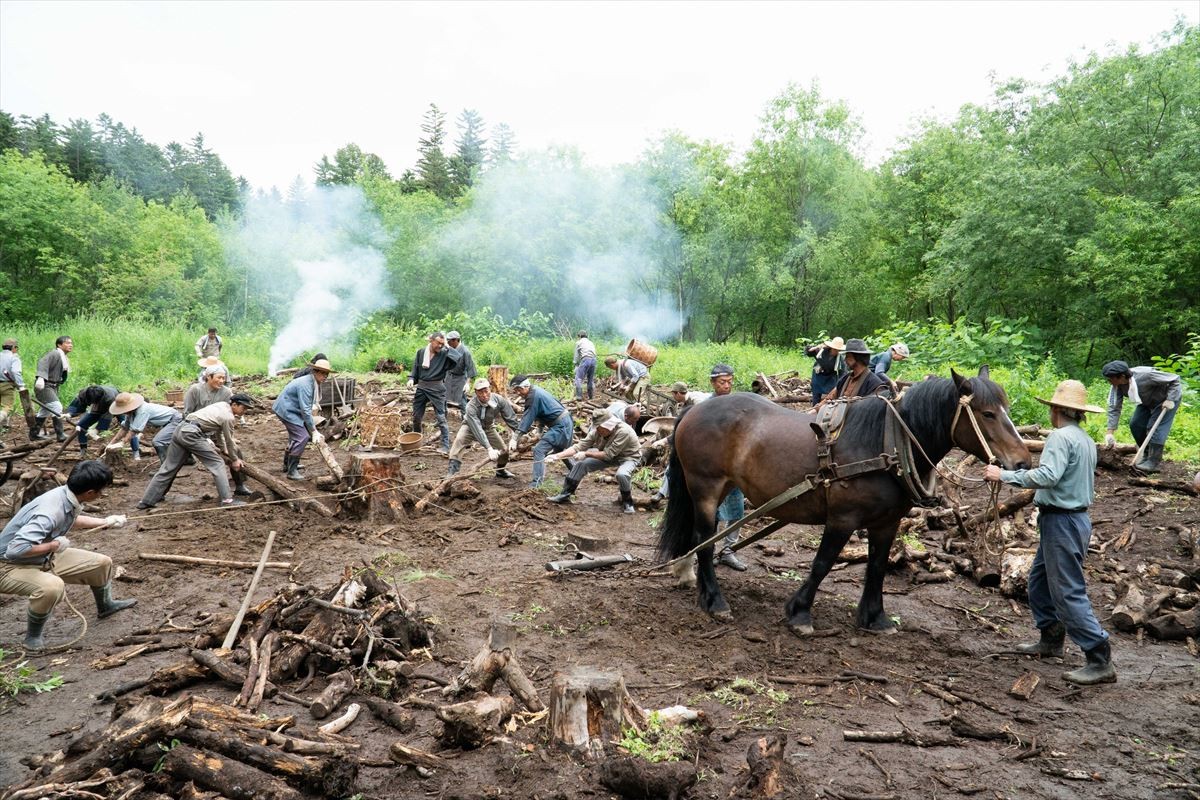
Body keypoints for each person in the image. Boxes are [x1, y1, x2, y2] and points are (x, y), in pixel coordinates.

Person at [984, 379, 1115, 685]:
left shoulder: (1059, 438)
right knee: (1039, 583)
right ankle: (1051, 639)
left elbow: (1049, 475)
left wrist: (1003, 474)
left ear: (1056, 409)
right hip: (1071, 520)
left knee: (1067, 590)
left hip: (1063, 522)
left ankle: (1099, 656)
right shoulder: (1083, 439)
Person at [0, 460, 134, 649]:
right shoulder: (49, 511)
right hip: (8, 565)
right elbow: (16, 549)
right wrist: (53, 545)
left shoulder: (66, 495)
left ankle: (106, 606)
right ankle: (32, 638)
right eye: (101, 490)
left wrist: (105, 521)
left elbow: (72, 518)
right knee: (51, 587)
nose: (102, 494)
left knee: (102, 563)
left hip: (41, 556)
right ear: (90, 493)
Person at [138, 394, 255, 510]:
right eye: (243, 408)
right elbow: (229, 440)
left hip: (180, 429)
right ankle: (227, 500)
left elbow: (219, 432)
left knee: (168, 467)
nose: (244, 411)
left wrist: (223, 448)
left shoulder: (222, 405)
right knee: (217, 463)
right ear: (234, 404)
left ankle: (147, 500)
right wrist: (234, 459)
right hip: (192, 434)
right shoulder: (229, 417)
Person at [546, 408, 642, 513]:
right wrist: (557, 456)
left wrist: (586, 453)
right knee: (581, 465)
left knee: (622, 474)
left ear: (608, 425)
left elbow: (608, 455)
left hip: (629, 457)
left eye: (600, 427)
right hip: (610, 455)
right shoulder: (597, 432)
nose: (597, 430)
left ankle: (627, 503)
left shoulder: (624, 432)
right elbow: (579, 446)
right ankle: (565, 495)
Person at [1101, 360, 1183, 473]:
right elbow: (1114, 407)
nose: (1109, 381)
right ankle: (1146, 453)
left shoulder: (1146, 375)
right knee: (1136, 424)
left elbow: (1175, 379)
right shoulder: (1117, 386)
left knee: (1154, 427)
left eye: (1110, 378)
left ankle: (1153, 461)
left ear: (1122, 376)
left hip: (1165, 401)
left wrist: (1171, 399)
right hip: (1145, 401)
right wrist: (1110, 432)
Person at [509, 374, 574, 489]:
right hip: (565, 422)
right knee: (560, 449)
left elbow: (526, 419)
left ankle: (536, 484)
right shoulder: (535, 391)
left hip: (560, 426)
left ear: (525, 386)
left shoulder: (532, 397)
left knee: (539, 450)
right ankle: (576, 471)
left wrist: (514, 438)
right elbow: (542, 411)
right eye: (516, 391)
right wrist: (539, 430)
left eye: (518, 390)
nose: (518, 393)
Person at [272, 358, 333, 480]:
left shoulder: (312, 382)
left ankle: (287, 464)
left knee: (296, 436)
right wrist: (314, 431)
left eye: (327, 374)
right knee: (302, 437)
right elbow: (305, 410)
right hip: (287, 410)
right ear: (316, 371)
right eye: (323, 373)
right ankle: (292, 471)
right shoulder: (306, 384)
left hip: (290, 408)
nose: (325, 376)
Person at [448, 378, 519, 479]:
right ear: (476, 393)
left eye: (486, 391)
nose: (484, 395)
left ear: (490, 389)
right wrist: (489, 448)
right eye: (480, 392)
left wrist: (519, 434)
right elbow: (477, 429)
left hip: (488, 427)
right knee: (459, 442)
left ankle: (500, 470)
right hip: (470, 427)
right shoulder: (471, 407)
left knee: (504, 450)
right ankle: (451, 474)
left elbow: (510, 418)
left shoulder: (499, 400)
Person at [409, 332, 461, 455]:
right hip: (422, 386)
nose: (440, 346)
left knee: (441, 418)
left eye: (442, 344)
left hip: (437, 387)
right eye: (438, 343)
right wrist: (411, 379)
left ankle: (445, 445)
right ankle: (416, 442)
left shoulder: (444, 353)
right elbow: (415, 368)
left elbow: (457, 358)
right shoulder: (421, 352)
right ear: (431, 341)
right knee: (416, 417)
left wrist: (448, 348)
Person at [105, 393, 183, 462]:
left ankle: (166, 468)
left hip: (175, 419)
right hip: (168, 421)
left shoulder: (142, 410)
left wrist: (122, 443)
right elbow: (125, 428)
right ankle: (186, 459)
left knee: (158, 441)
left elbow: (134, 431)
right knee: (173, 441)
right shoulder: (131, 413)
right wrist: (111, 444)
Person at [819, 339, 888, 405]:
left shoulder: (875, 384)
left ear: (858, 358)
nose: (845, 360)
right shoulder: (845, 379)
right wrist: (814, 410)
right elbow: (830, 397)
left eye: (848, 356)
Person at [33, 336, 73, 442]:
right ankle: (60, 434)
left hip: (53, 386)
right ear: (59, 345)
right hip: (45, 386)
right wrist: (40, 377)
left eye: (71, 343)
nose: (70, 345)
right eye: (67, 343)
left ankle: (34, 434)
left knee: (45, 410)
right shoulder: (54, 353)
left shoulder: (63, 357)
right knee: (56, 406)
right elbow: (42, 362)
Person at [65, 384, 120, 457]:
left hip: (117, 406)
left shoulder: (110, 398)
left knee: (126, 426)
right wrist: (70, 414)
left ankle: (132, 451)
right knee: (81, 426)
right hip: (97, 408)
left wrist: (97, 429)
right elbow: (79, 403)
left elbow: (108, 414)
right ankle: (83, 450)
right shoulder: (85, 393)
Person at [804, 336, 844, 405]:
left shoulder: (840, 358)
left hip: (830, 377)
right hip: (818, 376)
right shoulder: (821, 351)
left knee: (831, 396)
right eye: (835, 349)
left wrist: (840, 384)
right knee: (816, 396)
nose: (836, 351)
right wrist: (816, 347)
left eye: (838, 350)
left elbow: (843, 372)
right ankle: (815, 409)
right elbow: (808, 352)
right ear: (831, 347)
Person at [444, 331, 477, 412]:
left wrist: (467, 383)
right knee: (443, 398)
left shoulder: (465, 352)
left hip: (460, 378)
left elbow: (470, 368)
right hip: (449, 376)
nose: (448, 343)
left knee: (462, 401)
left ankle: (466, 420)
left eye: (449, 341)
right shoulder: (449, 349)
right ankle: (441, 420)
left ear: (455, 340)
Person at [0, 338, 27, 433]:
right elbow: (16, 371)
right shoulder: (14, 358)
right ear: (14, 348)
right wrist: (21, 385)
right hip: (7, 385)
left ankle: (4, 426)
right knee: (7, 407)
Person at [573, 331, 597, 400]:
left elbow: (576, 355)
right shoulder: (591, 342)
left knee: (578, 379)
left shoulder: (579, 342)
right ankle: (591, 397)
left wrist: (576, 364)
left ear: (579, 336)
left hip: (585, 359)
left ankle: (579, 397)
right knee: (590, 379)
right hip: (593, 360)